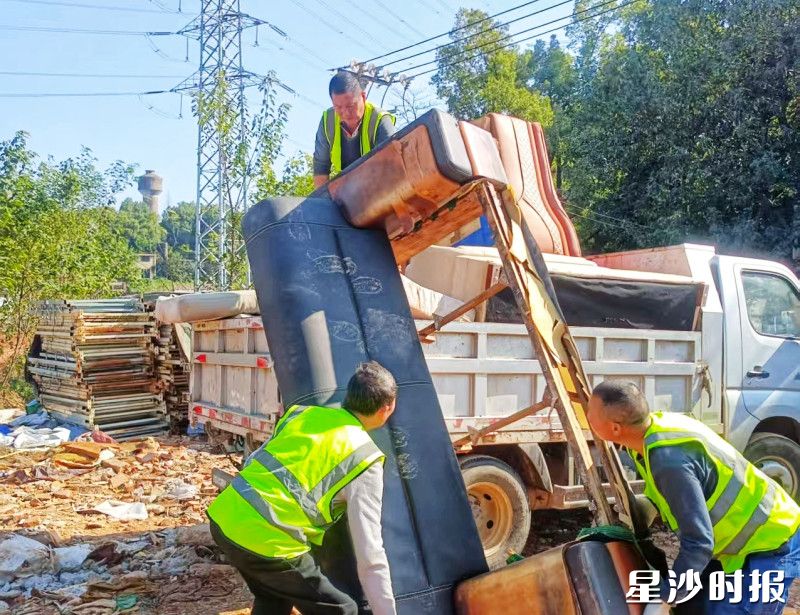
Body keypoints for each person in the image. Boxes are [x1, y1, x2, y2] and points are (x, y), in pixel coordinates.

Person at [587, 380, 800, 615]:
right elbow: (668, 496)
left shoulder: (669, 461)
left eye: (589, 412)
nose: (586, 415)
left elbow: (698, 544)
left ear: (615, 428)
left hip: (772, 543)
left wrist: (667, 597)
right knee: (693, 608)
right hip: (740, 547)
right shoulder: (654, 434)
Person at [207, 361, 398, 615]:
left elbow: (255, 461)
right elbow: (370, 554)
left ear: (349, 396)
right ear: (388, 407)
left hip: (225, 518)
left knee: (273, 598)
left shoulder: (303, 414)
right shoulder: (365, 458)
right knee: (342, 610)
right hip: (267, 541)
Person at [313, 71, 396, 188]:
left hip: (378, 189)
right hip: (347, 192)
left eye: (350, 106)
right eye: (338, 107)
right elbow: (320, 168)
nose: (346, 113)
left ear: (363, 97)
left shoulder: (380, 120)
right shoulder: (328, 120)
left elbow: (389, 170)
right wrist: (322, 204)